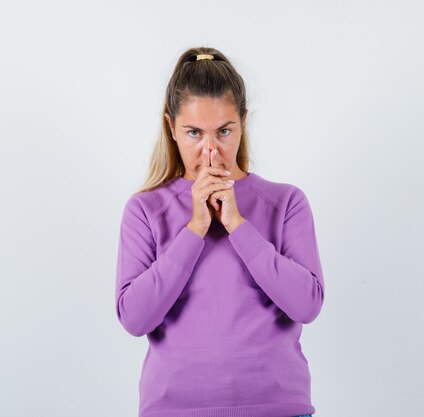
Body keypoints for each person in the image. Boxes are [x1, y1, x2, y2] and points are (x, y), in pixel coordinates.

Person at [114, 46, 324, 417]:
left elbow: (307, 304)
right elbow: (134, 318)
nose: (210, 150)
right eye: (194, 132)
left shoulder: (285, 202)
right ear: (171, 128)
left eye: (224, 131)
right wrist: (195, 228)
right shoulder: (145, 210)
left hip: (277, 407)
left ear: (243, 122)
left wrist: (236, 225)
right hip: (174, 408)